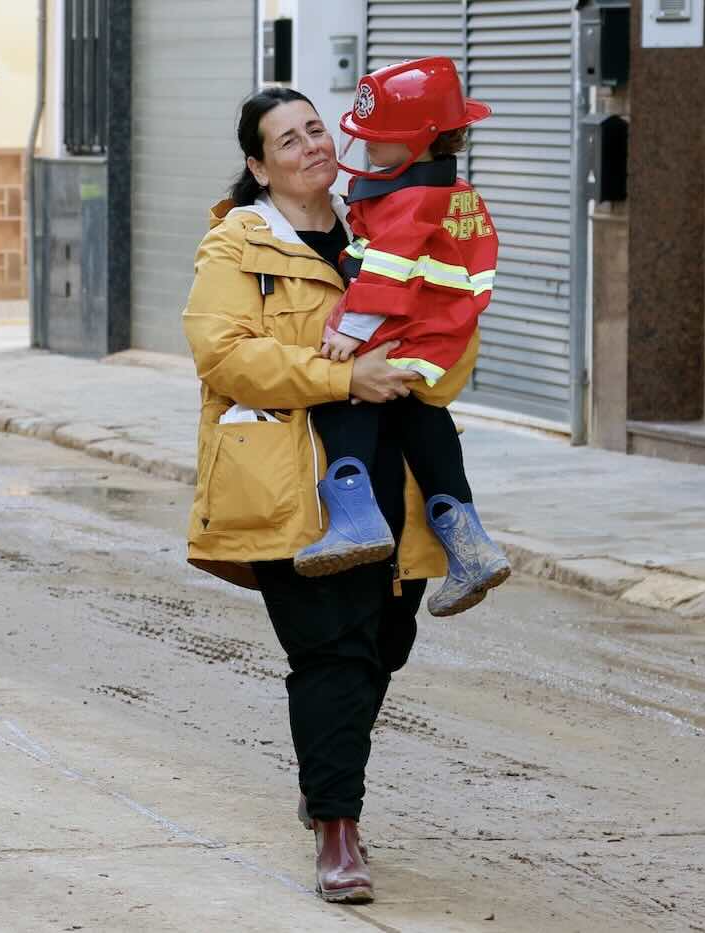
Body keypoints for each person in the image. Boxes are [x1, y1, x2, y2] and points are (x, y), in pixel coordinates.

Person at [181, 87, 481, 904]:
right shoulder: (235, 247)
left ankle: (324, 788)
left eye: (317, 128)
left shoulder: (386, 223)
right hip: (292, 483)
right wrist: (345, 375)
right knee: (332, 652)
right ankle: (338, 831)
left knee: (385, 644)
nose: (312, 145)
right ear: (258, 165)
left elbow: (447, 338)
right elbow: (225, 356)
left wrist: (431, 365)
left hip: (397, 486)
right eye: (288, 139)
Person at [294, 57, 511, 620]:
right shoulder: (455, 193)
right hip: (442, 331)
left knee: (346, 392)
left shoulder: (410, 201)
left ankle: (354, 520)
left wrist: (349, 331)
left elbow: (388, 272)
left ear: (420, 142)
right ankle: (469, 544)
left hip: (403, 326)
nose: (365, 145)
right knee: (420, 415)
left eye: (378, 138)